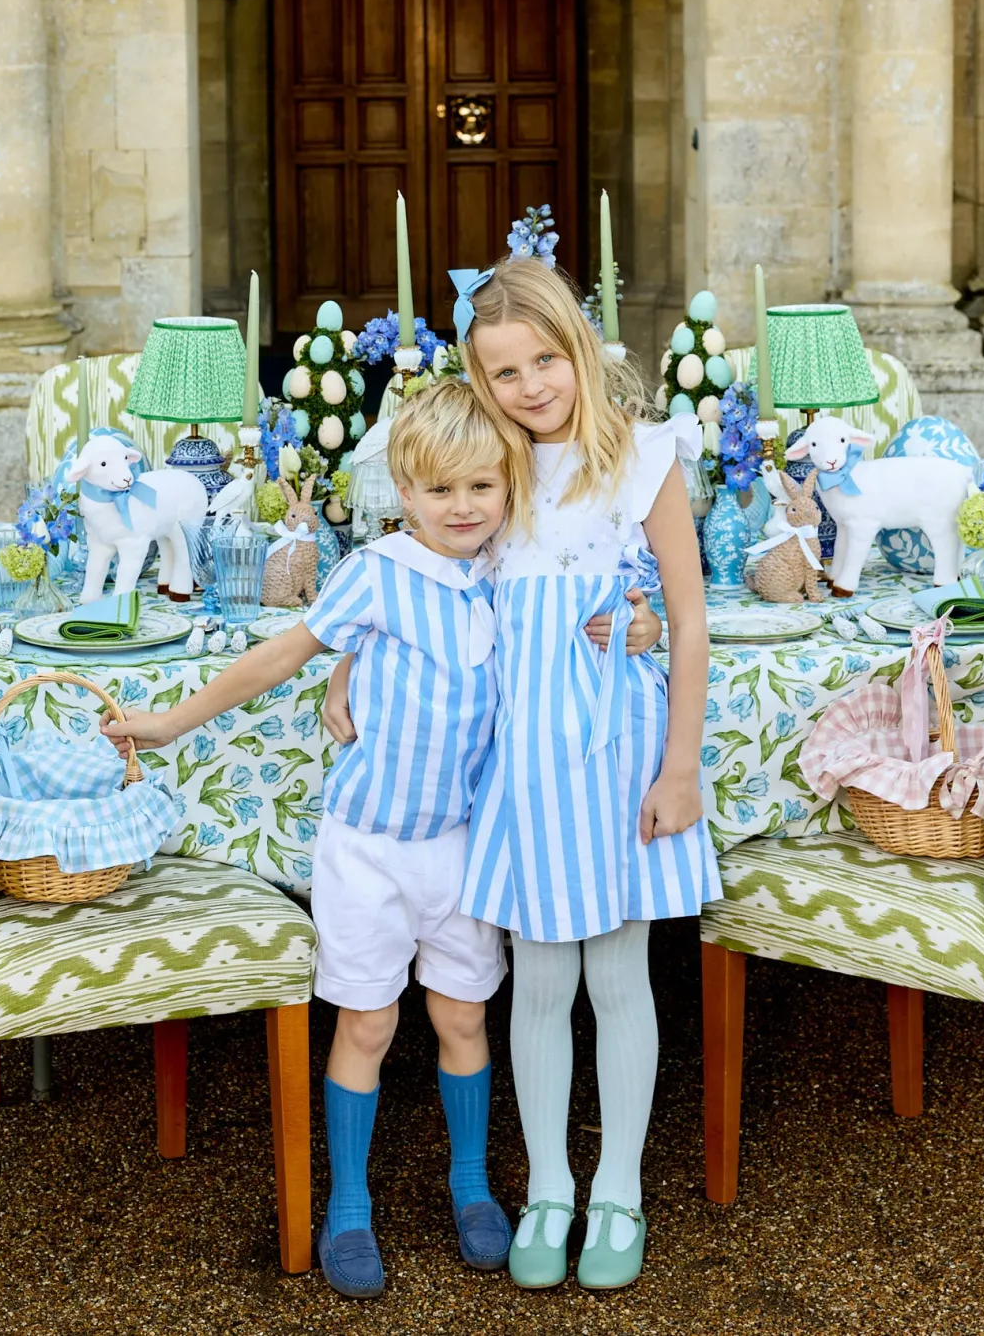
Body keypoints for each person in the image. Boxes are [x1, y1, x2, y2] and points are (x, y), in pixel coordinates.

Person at [327, 260, 719, 1291]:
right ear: (481, 383)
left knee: (619, 979)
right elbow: (419, 582)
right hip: (526, 769)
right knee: (540, 984)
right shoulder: (493, 467)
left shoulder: (642, 460)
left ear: (580, 349)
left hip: (621, 756)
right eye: (504, 372)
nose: (531, 386)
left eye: (545, 359)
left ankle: (619, 1190)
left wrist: (680, 767)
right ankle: (549, 1186)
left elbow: (684, 617)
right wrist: (349, 658)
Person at [102, 381, 515, 1299]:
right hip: (370, 847)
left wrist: (642, 622)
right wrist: (170, 721)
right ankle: (351, 1202)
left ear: (509, 488)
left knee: (461, 1017)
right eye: (441, 490)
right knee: (368, 1020)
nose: (462, 508)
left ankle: (473, 1181)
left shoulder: (509, 567)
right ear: (404, 490)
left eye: (482, 488)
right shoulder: (376, 570)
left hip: (465, 845)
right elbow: (281, 654)